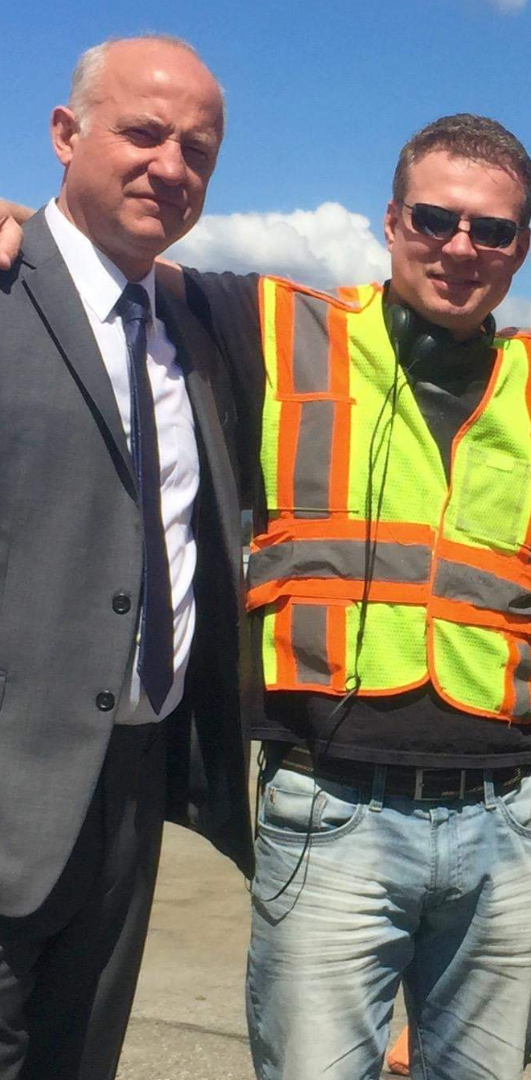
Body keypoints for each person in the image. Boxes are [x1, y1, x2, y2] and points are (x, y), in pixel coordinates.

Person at [172, 115, 531, 1080]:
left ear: (520, 247)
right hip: (333, 806)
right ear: (392, 222)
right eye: (435, 219)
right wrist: (24, 225)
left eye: (492, 230)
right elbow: (110, 264)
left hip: (508, 820)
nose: (461, 247)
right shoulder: (283, 326)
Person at [0, 36, 253, 1080]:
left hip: (136, 789)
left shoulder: (195, 325)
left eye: (198, 150)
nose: (170, 166)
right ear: (66, 134)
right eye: (144, 133)